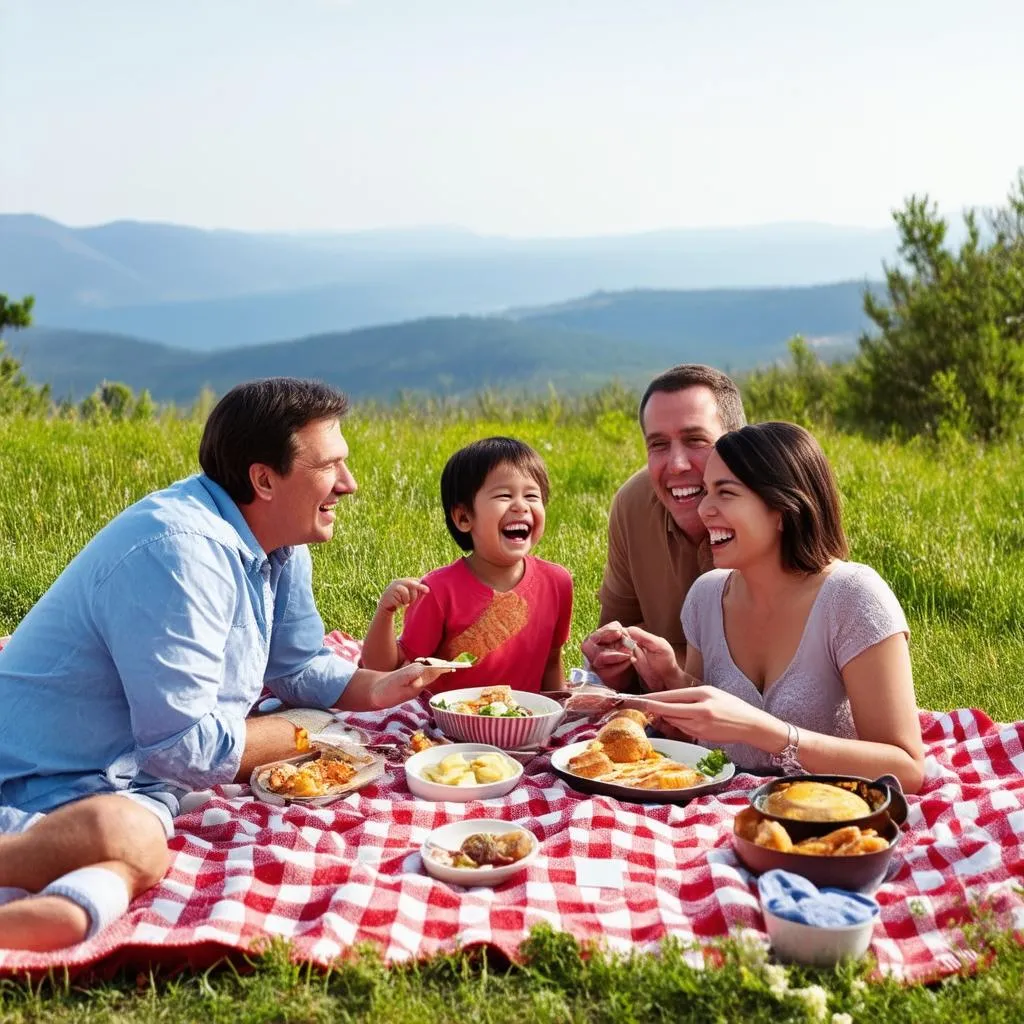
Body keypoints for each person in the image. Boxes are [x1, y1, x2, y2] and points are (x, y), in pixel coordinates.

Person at [0, 377, 449, 951]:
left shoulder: (282, 540)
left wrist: (380, 689)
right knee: (131, 837)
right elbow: (182, 748)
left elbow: (297, 665)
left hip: (139, 783)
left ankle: (63, 909)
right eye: (330, 466)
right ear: (263, 479)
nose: (349, 484)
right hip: (35, 779)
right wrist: (305, 735)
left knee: (135, 858)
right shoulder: (179, 552)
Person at [622, 422, 925, 794]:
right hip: (719, 814)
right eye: (706, 492)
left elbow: (907, 768)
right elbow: (707, 743)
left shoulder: (852, 597)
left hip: (826, 813)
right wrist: (672, 679)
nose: (704, 509)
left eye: (725, 493)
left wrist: (765, 731)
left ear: (782, 509)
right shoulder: (705, 596)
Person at [360, 436, 573, 694]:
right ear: (463, 517)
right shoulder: (437, 590)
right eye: (505, 495)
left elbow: (552, 661)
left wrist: (558, 712)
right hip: (447, 724)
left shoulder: (558, 582)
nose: (521, 506)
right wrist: (385, 612)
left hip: (524, 721)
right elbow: (386, 669)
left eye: (531, 495)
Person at [581, 364, 746, 691]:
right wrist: (614, 662)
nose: (677, 464)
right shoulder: (634, 504)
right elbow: (619, 634)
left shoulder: (776, 512)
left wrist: (674, 670)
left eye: (696, 440)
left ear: (739, 443)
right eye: (658, 444)